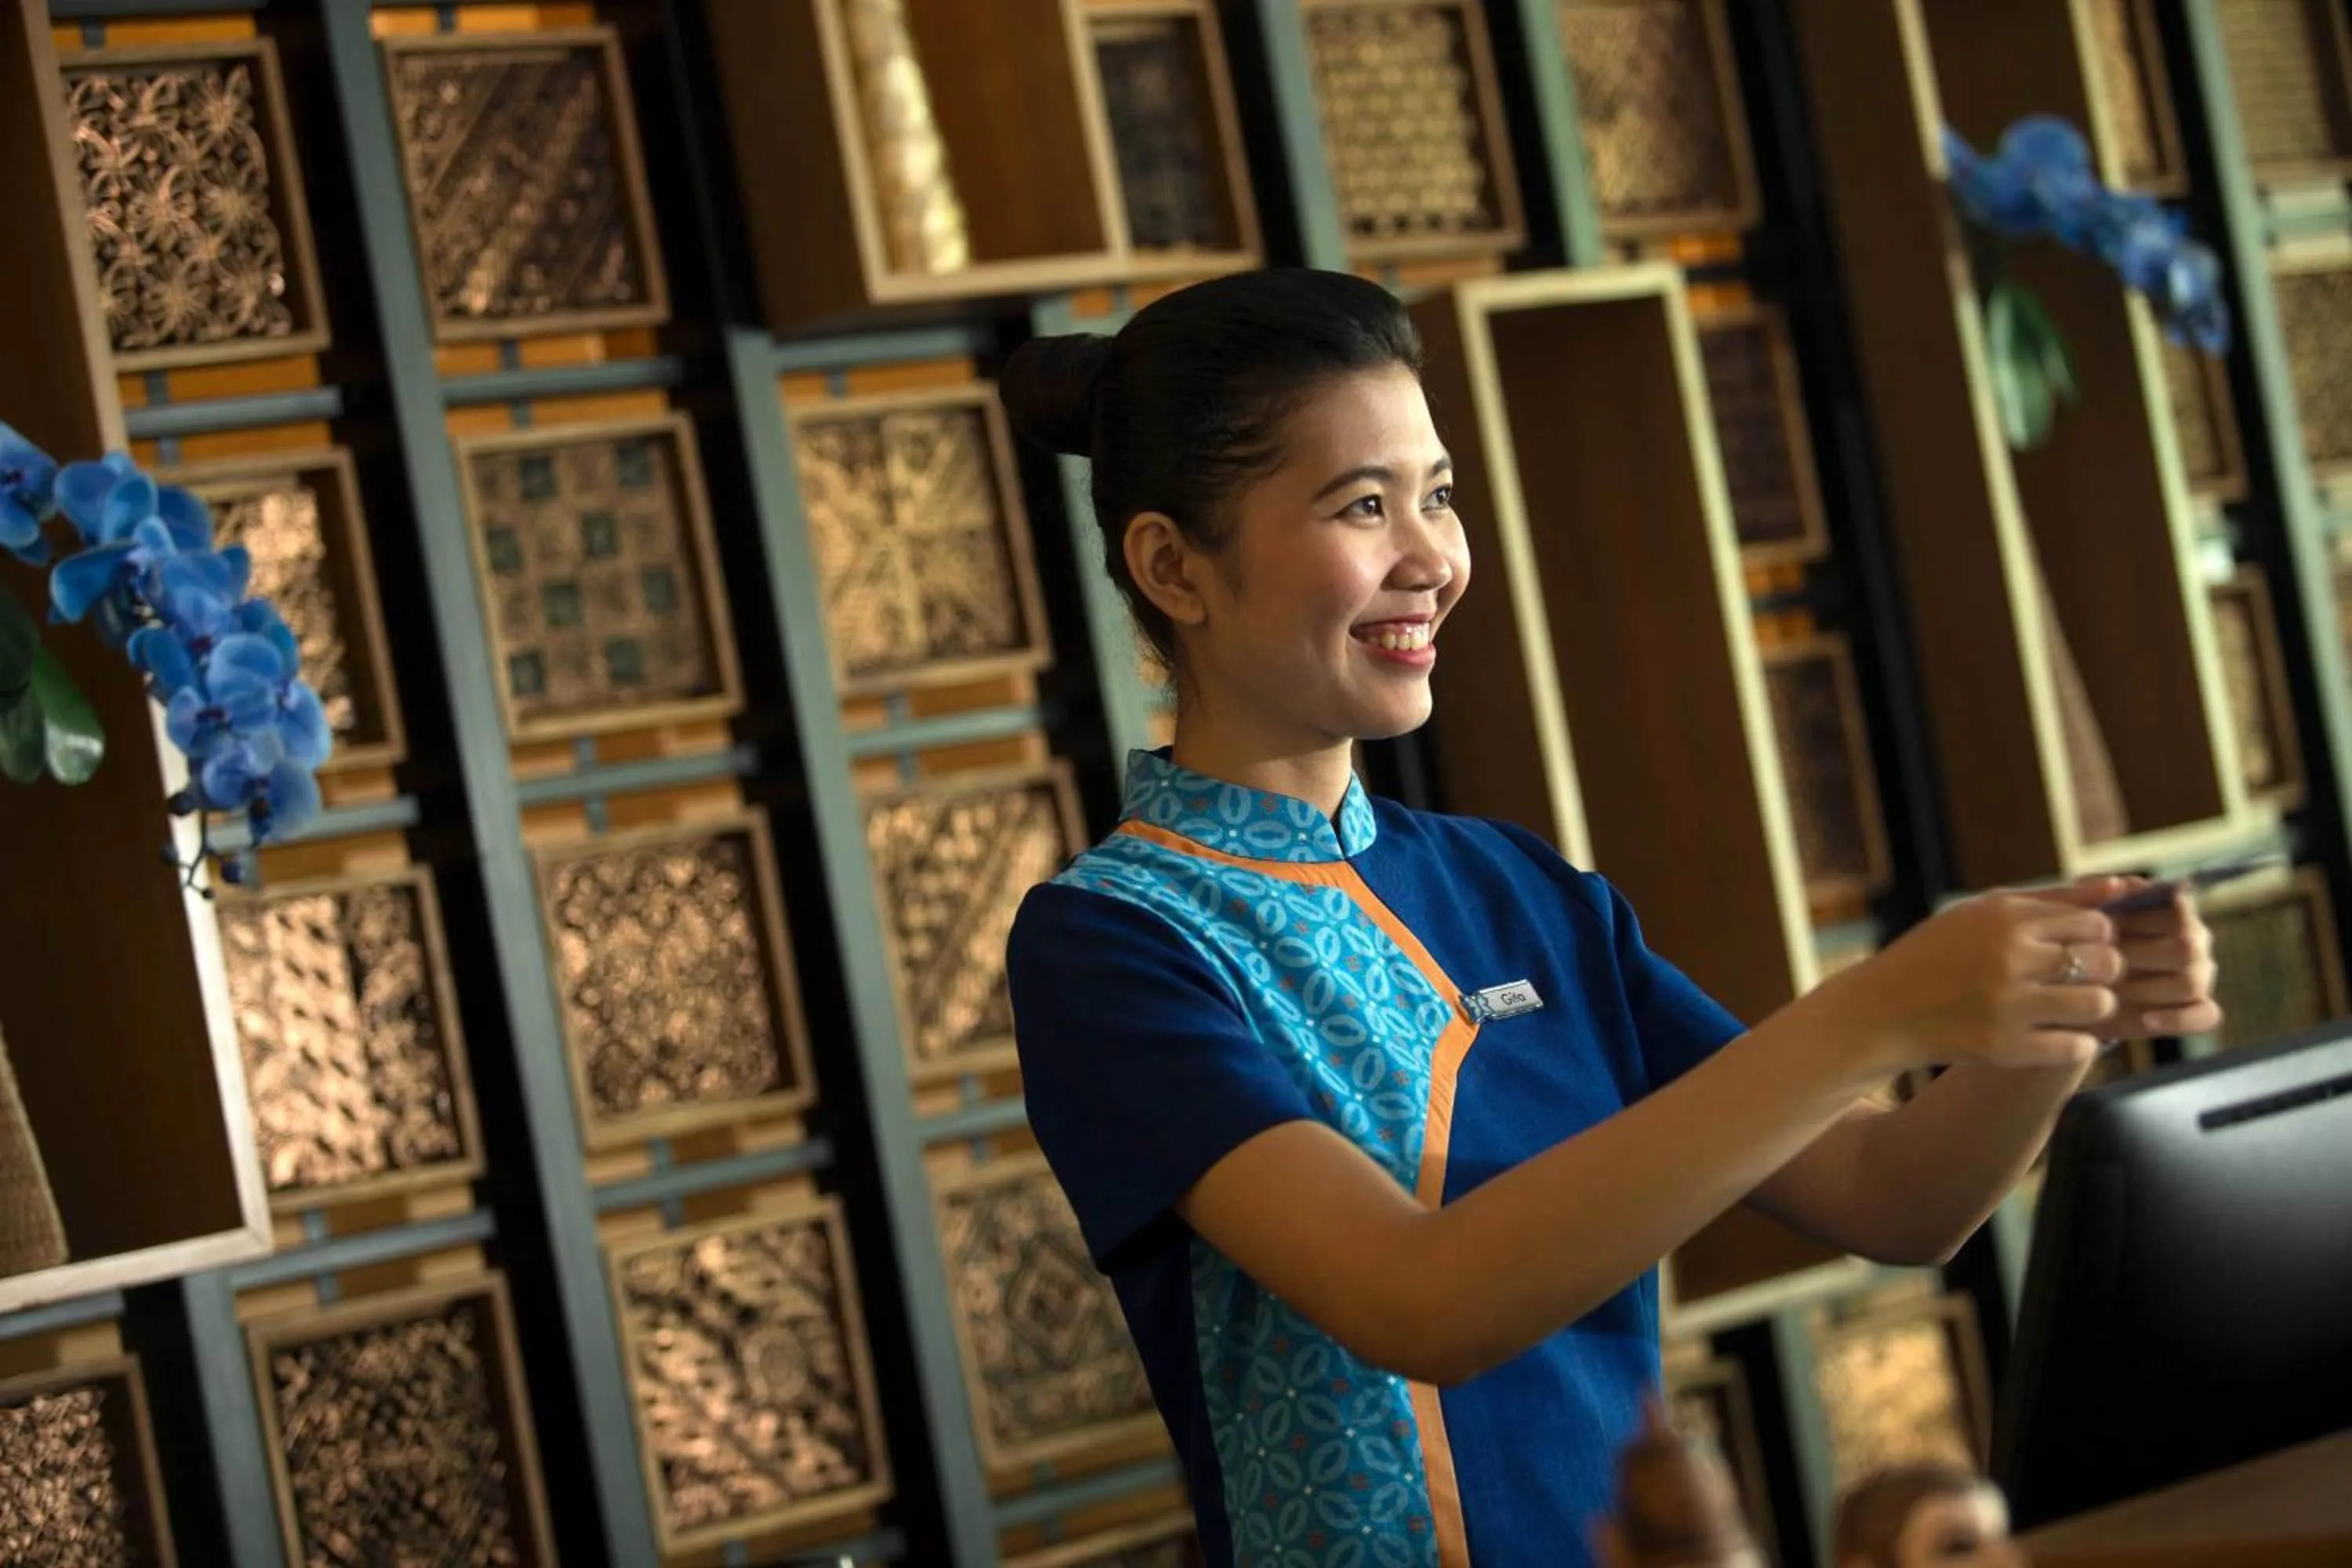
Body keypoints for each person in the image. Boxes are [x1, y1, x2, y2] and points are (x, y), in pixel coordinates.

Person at [998, 269, 2218, 1568]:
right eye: (1364, 506)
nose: (1435, 561)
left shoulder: (1519, 890)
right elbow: (1421, 1301)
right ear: (1172, 567)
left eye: (1440, 496)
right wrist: (1877, 1012)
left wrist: (2059, 1004)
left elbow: (1896, 1197)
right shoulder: (1117, 941)